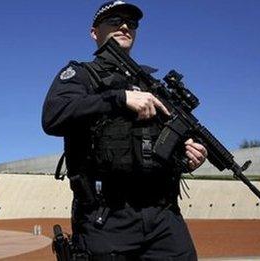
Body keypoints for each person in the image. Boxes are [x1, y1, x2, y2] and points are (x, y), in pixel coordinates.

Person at [42, 1, 208, 260]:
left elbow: (168, 141)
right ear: (94, 32)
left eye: (131, 23)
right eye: (114, 20)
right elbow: (54, 117)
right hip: (106, 217)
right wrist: (118, 99)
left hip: (164, 215)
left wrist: (190, 154)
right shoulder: (81, 75)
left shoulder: (153, 84)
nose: (124, 26)